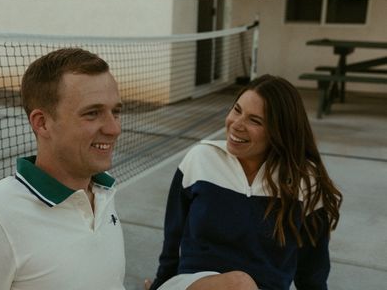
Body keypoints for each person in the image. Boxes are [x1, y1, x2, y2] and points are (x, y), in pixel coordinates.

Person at [0, 47, 125, 289]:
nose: (114, 129)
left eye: (116, 112)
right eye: (92, 113)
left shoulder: (104, 191)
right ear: (42, 124)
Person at [145, 74, 343, 290]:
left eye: (255, 120)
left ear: (279, 132)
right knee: (239, 283)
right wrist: (160, 284)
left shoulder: (305, 181)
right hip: (194, 284)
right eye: (237, 110)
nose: (236, 124)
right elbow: (172, 241)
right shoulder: (201, 159)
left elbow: (312, 271)